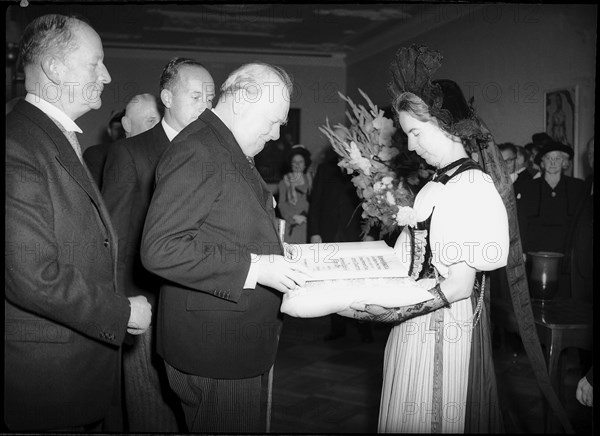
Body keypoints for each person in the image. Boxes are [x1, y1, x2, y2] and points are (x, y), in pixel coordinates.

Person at [344, 47, 510, 432]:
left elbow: (457, 287)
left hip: (442, 330)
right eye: (407, 136)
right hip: (417, 323)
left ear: (447, 124)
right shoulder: (437, 184)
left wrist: (391, 312)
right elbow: (410, 260)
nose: (412, 146)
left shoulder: (471, 187)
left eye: (416, 133)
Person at [140, 62, 310, 432]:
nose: (277, 133)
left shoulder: (220, 144)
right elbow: (161, 248)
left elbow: (222, 226)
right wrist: (257, 268)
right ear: (243, 99)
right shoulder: (200, 149)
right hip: (215, 352)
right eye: (273, 120)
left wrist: (274, 252)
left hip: (222, 343)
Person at [5, 14, 151, 431]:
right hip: (46, 383)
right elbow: (30, 274)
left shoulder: (47, 135)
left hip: (72, 371)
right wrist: (121, 313)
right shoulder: (18, 143)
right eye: (95, 63)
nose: (106, 76)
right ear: (54, 67)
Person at [100, 58, 214, 432]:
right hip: (146, 305)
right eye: (196, 95)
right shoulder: (129, 153)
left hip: (198, 305)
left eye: (210, 97)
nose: (206, 105)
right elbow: (114, 240)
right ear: (167, 97)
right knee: (151, 410)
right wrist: (121, 308)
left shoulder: (213, 152)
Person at [308, 144, 374, 343]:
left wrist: (370, 233)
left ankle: (364, 328)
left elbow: (373, 204)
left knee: (358, 282)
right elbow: (316, 203)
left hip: (354, 234)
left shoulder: (363, 166)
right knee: (332, 283)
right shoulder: (325, 168)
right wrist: (314, 233)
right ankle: (337, 327)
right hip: (329, 234)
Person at [514, 140, 585, 298]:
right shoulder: (527, 188)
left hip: (565, 255)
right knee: (536, 297)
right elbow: (522, 220)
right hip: (534, 255)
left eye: (557, 158)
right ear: (542, 163)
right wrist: (522, 251)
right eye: (548, 158)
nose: (553, 162)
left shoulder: (578, 188)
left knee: (563, 297)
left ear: (565, 162)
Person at [277, 144, 312, 243]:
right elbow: (281, 204)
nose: (297, 164)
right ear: (291, 164)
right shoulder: (284, 182)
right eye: (294, 162)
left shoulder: (311, 180)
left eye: (300, 161)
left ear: (305, 164)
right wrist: (293, 217)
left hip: (309, 227)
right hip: (292, 226)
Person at [83, 108, 124, 189]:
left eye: (123, 128)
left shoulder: (139, 153)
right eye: (116, 128)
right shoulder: (95, 154)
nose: (121, 132)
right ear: (109, 130)